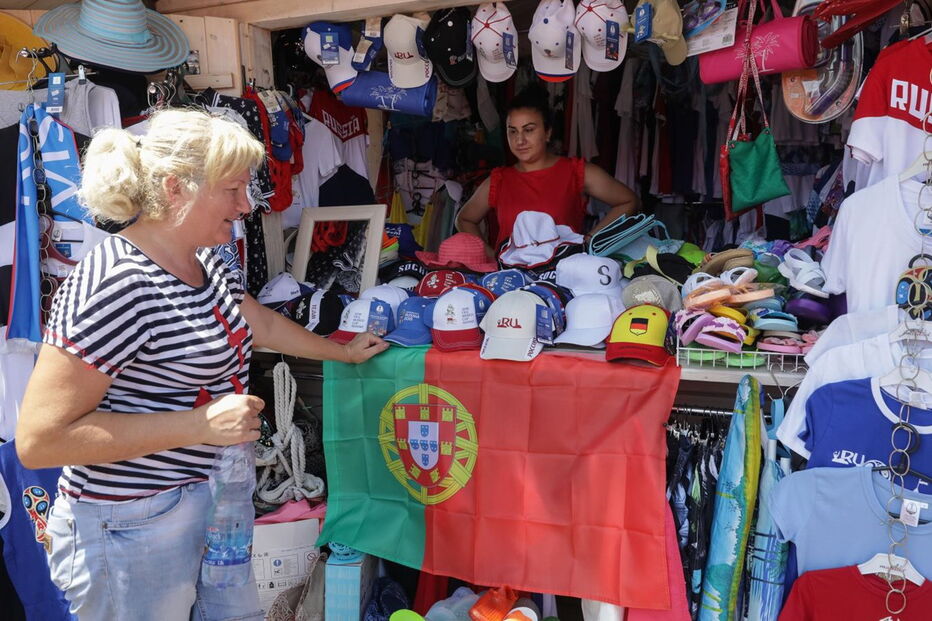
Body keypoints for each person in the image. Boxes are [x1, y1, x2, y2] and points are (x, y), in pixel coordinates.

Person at [15, 109, 388, 620]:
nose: (246, 205)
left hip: (212, 501)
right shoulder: (114, 283)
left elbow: (255, 321)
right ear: (175, 189)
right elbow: (41, 440)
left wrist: (342, 352)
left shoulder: (207, 259)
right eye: (233, 190)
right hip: (131, 527)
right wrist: (200, 425)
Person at [456, 85, 640, 255]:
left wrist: (588, 241)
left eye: (528, 130)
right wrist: (493, 258)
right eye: (513, 131)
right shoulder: (499, 179)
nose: (520, 140)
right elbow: (464, 219)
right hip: (510, 282)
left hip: (561, 278)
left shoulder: (576, 171)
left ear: (547, 132)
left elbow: (628, 201)